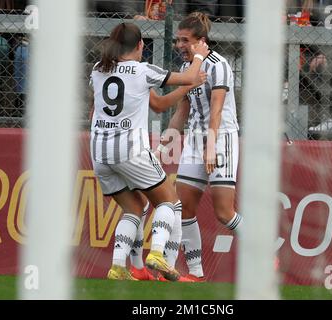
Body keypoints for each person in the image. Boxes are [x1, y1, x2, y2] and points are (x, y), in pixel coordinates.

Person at [89, 22, 209, 281]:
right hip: (130, 149)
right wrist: (199, 55)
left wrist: (187, 86)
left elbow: (158, 104)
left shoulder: (98, 70)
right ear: (141, 45)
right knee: (169, 202)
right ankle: (156, 253)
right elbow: (188, 76)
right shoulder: (143, 70)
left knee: (133, 208)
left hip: (99, 152)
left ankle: (118, 267)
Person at [155, 12, 243, 282]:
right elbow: (183, 110)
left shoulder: (220, 66)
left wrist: (211, 146)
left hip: (221, 139)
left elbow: (216, 110)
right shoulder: (187, 70)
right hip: (194, 141)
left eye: (185, 40)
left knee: (224, 212)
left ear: (201, 41)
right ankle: (195, 272)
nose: (179, 45)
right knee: (184, 207)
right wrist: (164, 144)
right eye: (177, 40)